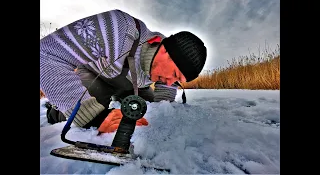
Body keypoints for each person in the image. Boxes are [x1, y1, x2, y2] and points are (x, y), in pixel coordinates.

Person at [40, 9, 207, 134]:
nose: (171, 83)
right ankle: (53, 109)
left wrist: (164, 112)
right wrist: (94, 118)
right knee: (83, 110)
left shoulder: (165, 65)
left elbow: (166, 92)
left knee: (145, 108)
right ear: (165, 51)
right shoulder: (117, 29)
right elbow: (44, 55)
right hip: (96, 75)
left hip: (131, 85)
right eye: (175, 75)